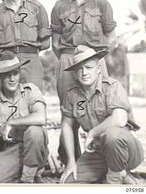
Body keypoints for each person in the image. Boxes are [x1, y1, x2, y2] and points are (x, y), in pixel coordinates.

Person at [50, 0, 117, 163]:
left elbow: (112, 36)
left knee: (100, 106)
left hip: (95, 59)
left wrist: (98, 58)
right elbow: (55, 40)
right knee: (68, 110)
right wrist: (66, 61)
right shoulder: (60, 6)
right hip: (68, 59)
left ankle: (104, 158)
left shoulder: (102, 4)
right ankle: (70, 159)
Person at [60, 45, 144, 184]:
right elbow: (66, 125)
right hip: (97, 153)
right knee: (70, 182)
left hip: (125, 150)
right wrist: (71, 162)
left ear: (98, 69)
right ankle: (121, 175)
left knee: (112, 135)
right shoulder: (72, 94)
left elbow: (119, 119)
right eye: (79, 69)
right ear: (75, 73)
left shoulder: (112, 87)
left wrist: (92, 133)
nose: (84, 73)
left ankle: (115, 177)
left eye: (89, 67)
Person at [0, 53, 49, 183]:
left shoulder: (31, 91)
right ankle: (26, 172)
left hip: (34, 148)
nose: (12, 79)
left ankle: (28, 178)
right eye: (7, 75)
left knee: (35, 131)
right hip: (11, 151)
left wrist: (11, 123)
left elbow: (41, 117)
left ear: (20, 73)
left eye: (15, 73)